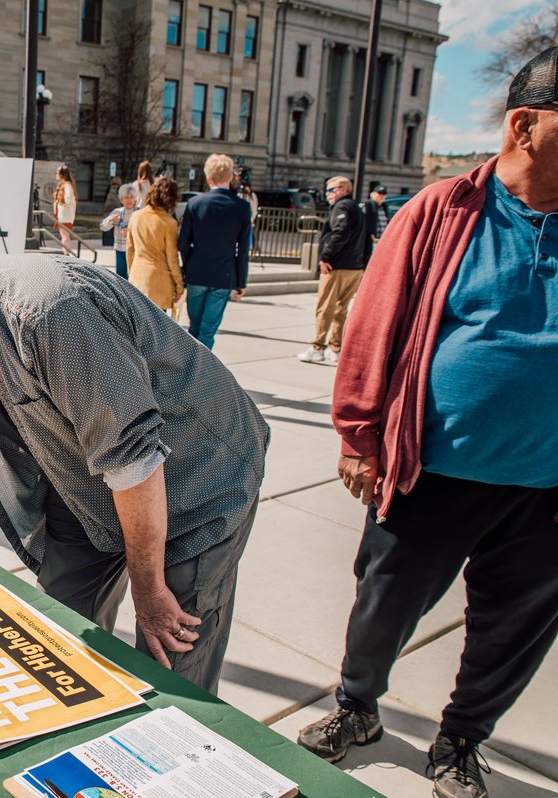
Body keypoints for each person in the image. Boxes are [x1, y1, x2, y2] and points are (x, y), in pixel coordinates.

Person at [0, 229, 270, 694]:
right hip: (87, 483)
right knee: (54, 641)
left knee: (171, 664)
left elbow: (133, 462)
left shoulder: (46, 313)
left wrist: (149, 589)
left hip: (196, 481)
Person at [295, 47, 558, 798]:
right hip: (432, 471)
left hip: (547, 491)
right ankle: (357, 707)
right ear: (525, 125)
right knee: (382, 605)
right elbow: (374, 326)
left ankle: (461, 739)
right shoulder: (443, 212)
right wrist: (358, 434)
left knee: (513, 633)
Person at [177, 153, 251, 350]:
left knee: (194, 328)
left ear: (208, 178)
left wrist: (189, 264)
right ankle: (202, 375)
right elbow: (243, 249)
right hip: (223, 275)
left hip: (197, 272)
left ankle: (189, 372)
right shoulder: (242, 207)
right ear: (230, 177)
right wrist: (241, 281)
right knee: (208, 331)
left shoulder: (195, 204)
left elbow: (183, 242)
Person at [296, 175, 366, 365]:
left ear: (343, 189)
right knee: (340, 309)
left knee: (325, 308)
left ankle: (318, 347)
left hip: (336, 266)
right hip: (354, 266)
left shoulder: (342, 207)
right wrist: (363, 264)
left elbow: (340, 232)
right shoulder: (357, 208)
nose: (327, 194)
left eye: (331, 190)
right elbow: (366, 237)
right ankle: (335, 349)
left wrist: (326, 256)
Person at [126, 177, 183, 314]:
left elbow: (129, 250)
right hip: (159, 283)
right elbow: (172, 259)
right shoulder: (169, 223)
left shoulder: (136, 217)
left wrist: (131, 273)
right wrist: (179, 285)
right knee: (157, 329)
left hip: (137, 278)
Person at [100, 182, 138, 279]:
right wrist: (111, 220)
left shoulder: (139, 213)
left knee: (133, 276)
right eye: (126, 197)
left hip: (135, 250)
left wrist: (129, 231)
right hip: (120, 249)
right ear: (121, 199)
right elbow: (103, 227)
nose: (129, 200)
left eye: (131, 197)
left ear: (135, 198)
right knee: (121, 277)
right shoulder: (117, 212)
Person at [360, 184, 389, 263]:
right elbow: (362, 222)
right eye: (379, 193)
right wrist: (370, 233)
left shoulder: (383, 207)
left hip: (380, 240)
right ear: (372, 194)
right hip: (370, 241)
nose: (381, 196)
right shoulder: (367, 205)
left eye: (383, 194)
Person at [53, 164, 77, 256]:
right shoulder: (64, 185)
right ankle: (66, 252)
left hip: (65, 215)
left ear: (61, 174)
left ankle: (66, 253)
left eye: (57, 173)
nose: (56, 175)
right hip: (63, 215)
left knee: (65, 235)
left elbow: (69, 198)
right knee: (64, 235)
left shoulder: (67, 185)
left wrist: (61, 201)